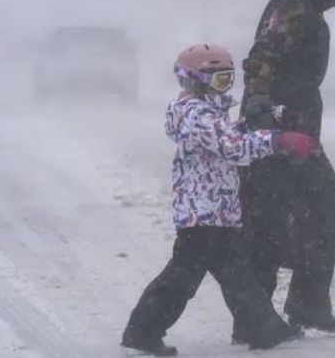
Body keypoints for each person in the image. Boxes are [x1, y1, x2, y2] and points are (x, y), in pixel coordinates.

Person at [121, 44, 319, 355]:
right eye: (218, 81)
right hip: (201, 213)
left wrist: (269, 116)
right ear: (194, 80)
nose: (224, 87)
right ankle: (143, 331)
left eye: (228, 80)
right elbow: (231, 146)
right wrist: (278, 141)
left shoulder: (207, 112)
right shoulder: (195, 113)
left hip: (218, 210)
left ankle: (265, 329)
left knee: (236, 272)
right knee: (183, 275)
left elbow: (227, 133)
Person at [238, 0, 335, 336]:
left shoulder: (304, 1)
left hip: (297, 127)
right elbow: (262, 57)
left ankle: (306, 304)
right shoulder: (293, 3)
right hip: (277, 128)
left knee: (322, 211)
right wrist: (262, 110)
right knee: (270, 221)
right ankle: (254, 320)